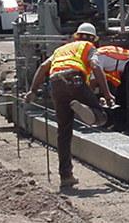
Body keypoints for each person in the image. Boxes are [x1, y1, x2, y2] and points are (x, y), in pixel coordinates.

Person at [25, 22, 115, 188]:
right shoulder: (89, 47)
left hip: (55, 83)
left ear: (76, 35)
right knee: (101, 117)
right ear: (93, 38)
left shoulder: (61, 50)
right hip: (75, 79)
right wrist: (107, 94)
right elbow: (95, 66)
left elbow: (44, 67)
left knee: (64, 132)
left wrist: (32, 90)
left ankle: (66, 176)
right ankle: (86, 111)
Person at [93, 45, 129, 134]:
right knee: (122, 97)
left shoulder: (96, 58)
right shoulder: (98, 53)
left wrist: (89, 96)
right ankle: (121, 125)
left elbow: (95, 79)